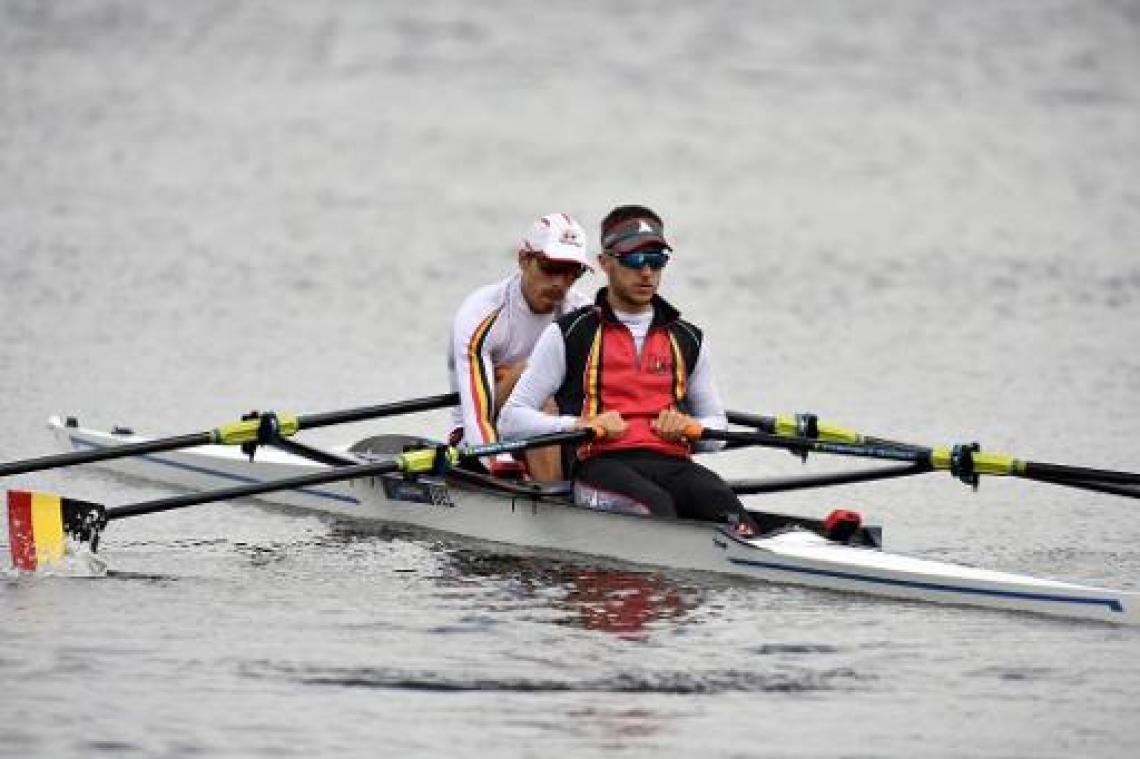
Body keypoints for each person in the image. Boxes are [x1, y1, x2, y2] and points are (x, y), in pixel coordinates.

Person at [499, 205, 759, 536]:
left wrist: (693, 429)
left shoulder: (689, 338)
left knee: (732, 515)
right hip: (600, 467)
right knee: (658, 511)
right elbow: (511, 420)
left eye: (657, 260)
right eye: (634, 260)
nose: (646, 272)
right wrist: (580, 425)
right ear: (604, 263)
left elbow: (717, 428)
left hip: (673, 463)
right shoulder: (570, 333)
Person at [448, 213, 593, 479]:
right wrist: (499, 462)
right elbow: (478, 417)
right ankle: (551, 494)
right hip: (480, 432)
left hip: (561, 425)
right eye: (551, 267)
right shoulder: (481, 314)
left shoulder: (582, 313)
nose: (560, 282)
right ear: (523, 260)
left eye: (573, 272)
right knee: (536, 386)